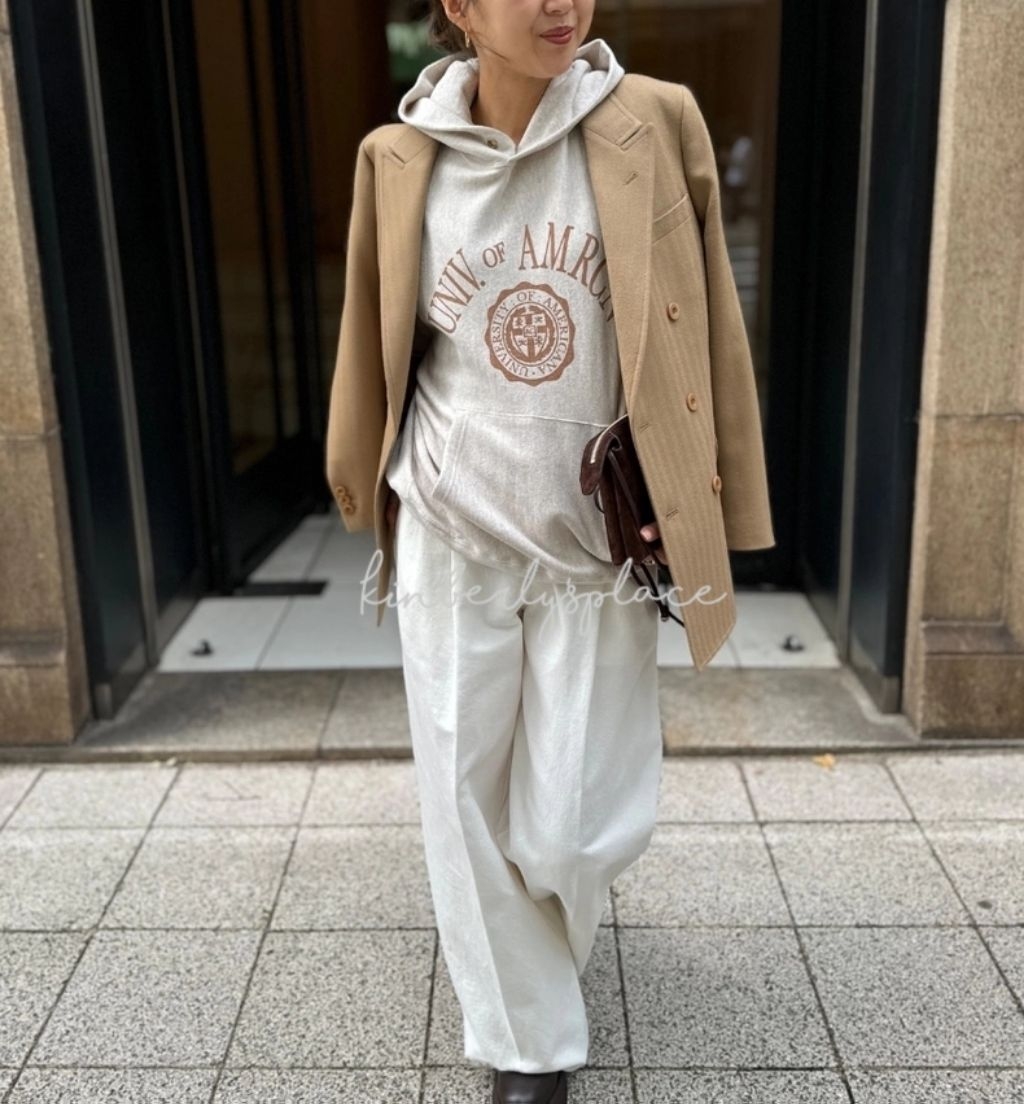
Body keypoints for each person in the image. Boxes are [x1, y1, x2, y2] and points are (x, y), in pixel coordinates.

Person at [326, 2, 775, 1100]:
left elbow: (708, 322)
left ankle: (534, 959)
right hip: (450, 524)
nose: (557, 3)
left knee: (575, 823)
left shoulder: (651, 121)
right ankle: (528, 1044)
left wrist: (712, 490)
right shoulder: (398, 156)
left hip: (593, 543)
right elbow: (373, 338)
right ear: (459, 9)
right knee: (463, 803)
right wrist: (359, 481)